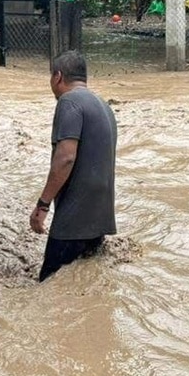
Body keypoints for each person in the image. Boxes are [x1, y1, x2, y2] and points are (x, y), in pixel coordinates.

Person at [30, 50, 118, 281]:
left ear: (58, 76)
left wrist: (43, 204)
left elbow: (66, 157)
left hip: (74, 218)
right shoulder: (104, 106)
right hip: (100, 216)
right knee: (84, 282)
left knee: (48, 283)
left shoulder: (69, 102)